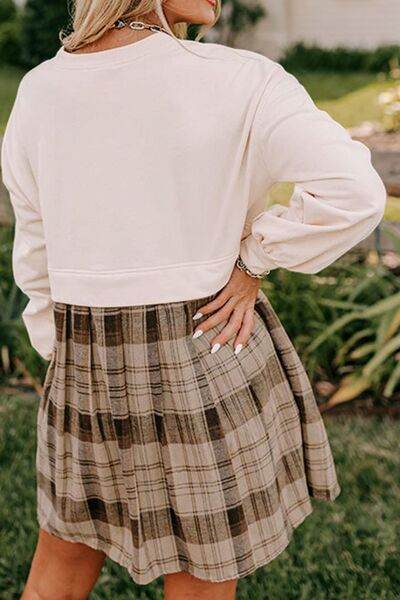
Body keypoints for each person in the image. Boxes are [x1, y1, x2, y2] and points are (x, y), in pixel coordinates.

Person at [1, 0, 386, 598]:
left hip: (85, 366)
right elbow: (355, 190)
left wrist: (63, 351)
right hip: (207, 344)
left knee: (62, 561)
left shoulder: (40, 89)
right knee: (201, 577)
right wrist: (254, 259)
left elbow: (36, 247)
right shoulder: (242, 79)